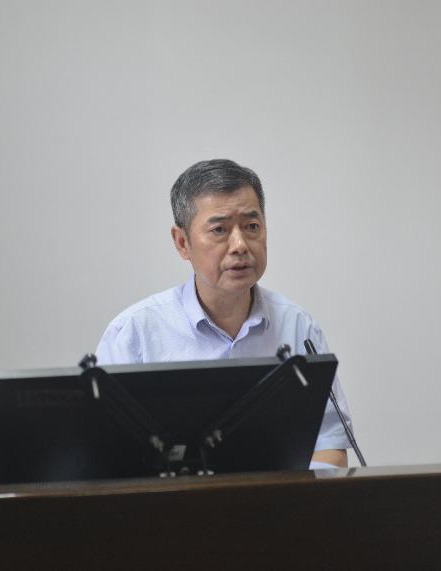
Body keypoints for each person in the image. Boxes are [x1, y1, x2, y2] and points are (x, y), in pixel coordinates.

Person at [95, 159, 352, 468]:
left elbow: (330, 447)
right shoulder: (134, 334)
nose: (240, 245)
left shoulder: (298, 327)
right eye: (219, 230)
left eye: (251, 227)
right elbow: (107, 459)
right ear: (182, 242)